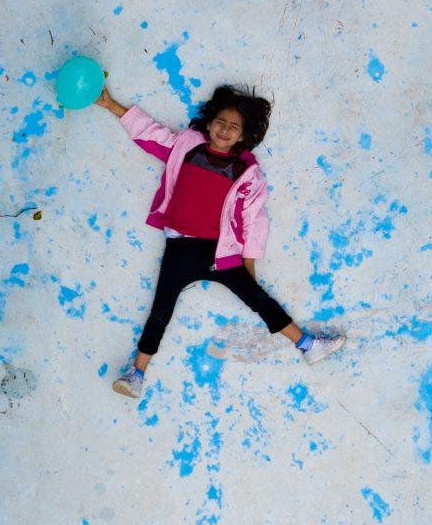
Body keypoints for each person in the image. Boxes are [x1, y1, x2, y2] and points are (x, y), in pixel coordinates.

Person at [94, 80, 343, 398]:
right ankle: (136, 374)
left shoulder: (246, 173)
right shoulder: (186, 147)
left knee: (259, 300)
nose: (225, 130)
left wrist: (248, 263)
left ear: (243, 135)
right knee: (160, 311)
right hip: (179, 248)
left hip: (219, 254)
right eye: (220, 123)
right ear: (209, 124)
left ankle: (307, 344)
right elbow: (151, 134)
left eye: (233, 127)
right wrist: (112, 106)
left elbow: (254, 221)